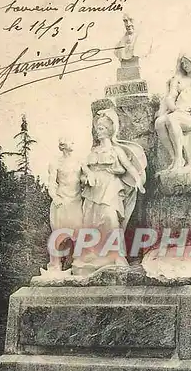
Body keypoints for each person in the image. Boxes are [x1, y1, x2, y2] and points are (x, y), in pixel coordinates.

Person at [78, 108, 146, 273]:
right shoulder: (93, 152)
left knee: (110, 219)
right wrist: (86, 178)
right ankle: (93, 257)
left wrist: (138, 180)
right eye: (97, 129)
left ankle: (116, 256)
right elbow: (82, 174)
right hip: (93, 190)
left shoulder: (116, 150)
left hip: (110, 187)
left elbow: (129, 166)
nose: (98, 132)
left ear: (109, 130)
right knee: (90, 221)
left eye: (101, 129)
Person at [47, 137, 84, 271]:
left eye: (73, 141)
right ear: (62, 145)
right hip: (62, 201)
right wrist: (55, 198)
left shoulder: (79, 160)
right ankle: (55, 266)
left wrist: (87, 178)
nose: (73, 143)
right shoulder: (55, 162)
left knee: (79, 233)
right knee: (58, 235)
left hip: (76, 201)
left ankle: (78, 264)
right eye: (70, 141)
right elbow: (51, 184)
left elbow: (85, 175)